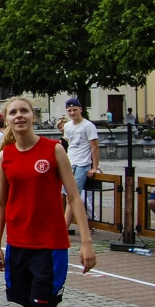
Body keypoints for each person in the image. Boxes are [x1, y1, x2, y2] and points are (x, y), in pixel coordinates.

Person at [0, 97, 95, 307]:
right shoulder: (5, 156)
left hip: (49, 244)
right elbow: (0, 205)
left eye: (24, 111)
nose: (19, 116)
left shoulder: (53, 150)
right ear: (5, 120)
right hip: (18, 245)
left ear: (33, 116)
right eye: (13, 112)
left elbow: (74, 197)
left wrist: (86, 242)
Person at [62, 98, 99, 229]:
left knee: (72, 198)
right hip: (69, 163)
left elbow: (95, 147)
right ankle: (85, 223)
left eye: (74, 110)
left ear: (80, 109)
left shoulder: (88, 126)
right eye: (70, 110)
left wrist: (94, 167)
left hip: (82, 164)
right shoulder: (67, 126)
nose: (72, 113)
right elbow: (68, 143)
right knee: (67, 197)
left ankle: (64, 229)